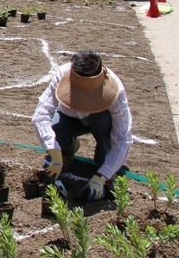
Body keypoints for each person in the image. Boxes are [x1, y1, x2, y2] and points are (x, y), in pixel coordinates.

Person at [32, 51, 133, 201]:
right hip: (70, 119)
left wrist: (103, 175)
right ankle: (66, 152)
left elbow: (123, 137)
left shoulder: (116, 89)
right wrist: (53, 149)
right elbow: (40, 115)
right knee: (55, 125)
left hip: (100, 122)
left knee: (105, 128)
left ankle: (103, 165)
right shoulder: (61, 74)